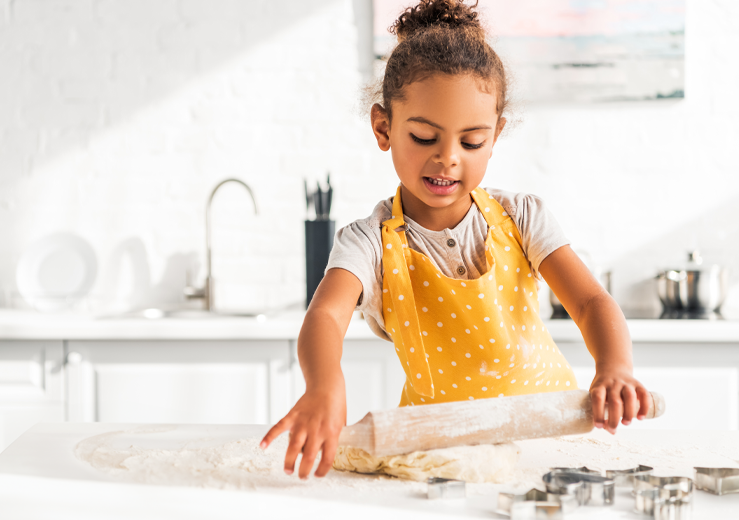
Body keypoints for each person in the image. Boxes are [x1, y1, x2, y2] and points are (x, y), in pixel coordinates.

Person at [261, 0, 650, 480]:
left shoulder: (521, 217)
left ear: (495, 135)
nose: (447, 159)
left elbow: (590, 301)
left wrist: (615, 366)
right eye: (424, 137)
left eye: (471, 142)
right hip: (442, 453)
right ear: (384, 128)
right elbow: (326, 314)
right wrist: (324, 385)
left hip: (546, 441)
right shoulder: (369, 242)